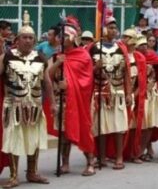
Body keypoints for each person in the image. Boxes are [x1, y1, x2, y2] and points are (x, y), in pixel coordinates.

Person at [0, 23, 57, 188]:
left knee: (34, 139)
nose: (27, 40)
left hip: (35, 106)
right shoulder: (7, 57)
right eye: (24, 37)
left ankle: (32, 172)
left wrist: (52, 103)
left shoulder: (40, 58)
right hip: (13, 106)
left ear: (35, 40)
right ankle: (13, 175)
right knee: (13, 139)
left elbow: (46, 82)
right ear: (17, 39)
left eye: (30, 38)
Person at [46, 20, 96, 176]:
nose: (62, 38)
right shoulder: (56, 56)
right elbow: (47, 76)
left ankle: (90, 162)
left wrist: (70, 86)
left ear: (74, 38)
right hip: (62, 100)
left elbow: (87, 81)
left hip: (79, 101)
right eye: (61, 35)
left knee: (83, 130)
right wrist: (57, 64)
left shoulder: (83, 56)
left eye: (66, 36)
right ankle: (65, 163)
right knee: (63, 133)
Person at [89, 16, 132, 170]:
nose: (113, 30)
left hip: (118, 91)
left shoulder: (121, 48)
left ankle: (119, 157)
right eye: (110, 27)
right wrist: (95, 68)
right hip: (100, 92)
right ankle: (101, 157)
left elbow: (126, 71)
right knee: (101, 126)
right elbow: (87, 72)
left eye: (115, 27)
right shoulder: (94, 48)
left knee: (119, 126)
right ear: (103, 29)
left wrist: (128, 93)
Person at [120, 29, 147, 164]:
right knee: (120, 125)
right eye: (123, 36)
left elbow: (141, 81)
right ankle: (117, 154)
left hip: (134, 94)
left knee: (134, 126)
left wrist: (133, 94)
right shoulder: (119, 54)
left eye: (126, 37)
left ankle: (133, 153)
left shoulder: (139, 57)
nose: (123, 39)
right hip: (119, 93)